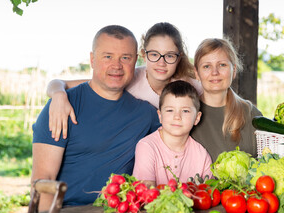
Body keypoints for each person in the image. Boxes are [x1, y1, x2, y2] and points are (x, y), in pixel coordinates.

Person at [31, 25, 160, 210]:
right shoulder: (62, 107)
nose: (116, 65)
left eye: (125, 58)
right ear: (92, 59)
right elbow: (44, 181)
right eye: (107, 56)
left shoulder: (146, 114)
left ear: (135, 61)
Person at [46, 22, 202, 141]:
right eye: (154, 54)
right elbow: (60, 83)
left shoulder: (188, 86)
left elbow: (219, 93)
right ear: (143, 54)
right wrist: (59, 95)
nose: (161, 63)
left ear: (179, 57)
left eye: (169, 56)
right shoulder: (128, 77)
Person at [190, 38, 263, 161]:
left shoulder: (252, 114)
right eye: (207, 66)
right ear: (197, 73)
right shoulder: (187, 113)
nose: (215, 72)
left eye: (222, 65)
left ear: (233, 70)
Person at [132, 81, 212, 187]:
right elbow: (146, 193)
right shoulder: (147, 147)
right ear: (160, 116)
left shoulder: (202, 156)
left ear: (197, 118)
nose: (177, 117)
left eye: (185, 111)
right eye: (170, 110)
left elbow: (208, 194)